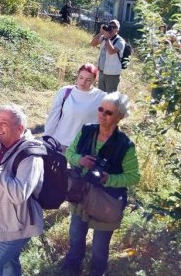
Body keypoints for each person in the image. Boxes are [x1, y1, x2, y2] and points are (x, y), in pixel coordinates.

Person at [60, 92, 140, 276]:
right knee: (76, 235)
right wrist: (80, 160)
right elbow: (69, 153)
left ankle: (97, 271)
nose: (102, 114)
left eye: (108, 112)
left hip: (105, 201)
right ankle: (72, 266)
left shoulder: (125, 145)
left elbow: (133, 176)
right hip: (81, 195)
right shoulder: (87, 130)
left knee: (99, 247)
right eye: (100, 109)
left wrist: (109, 178)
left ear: (119, 116)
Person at [0, 104, 44, 276]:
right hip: (3, 218)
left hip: (17, 225)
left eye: (4, 123)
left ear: (19, 128)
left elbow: (19, 194)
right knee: (8, 264)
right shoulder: (1, 143)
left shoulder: (30, 156)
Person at [44, 63, 106, 152]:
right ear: (77, 76)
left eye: (88, 80)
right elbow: (53, 117)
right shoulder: (65, 92)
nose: (83, 82)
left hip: (84, 147)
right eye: (81, 78)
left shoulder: (101, 97)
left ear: (94, 80)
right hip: (61, 143)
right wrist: (46, 138)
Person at [91, 19, 125, 93]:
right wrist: (101, 33)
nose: (111, 28)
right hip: (102, 72)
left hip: (112, 74)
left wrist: (107, 38)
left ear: (117, 30)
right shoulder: (104, 37)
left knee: (111, 97)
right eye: (110, 26)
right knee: (101, 95)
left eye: (114, 27)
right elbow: (93, 44)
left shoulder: (120, 41)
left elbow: (111, 51)